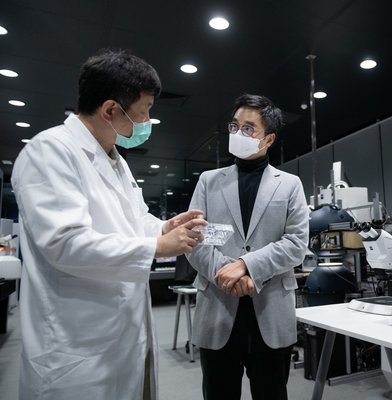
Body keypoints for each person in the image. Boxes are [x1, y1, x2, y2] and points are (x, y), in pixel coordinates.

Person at [11, 49, 207, 400]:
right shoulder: (50, 152)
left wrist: (161, 228)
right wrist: (156, 247)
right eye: (144, 110)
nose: (147, 120)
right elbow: (65, 244)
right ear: (111, 110)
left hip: (125, 331)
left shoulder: (115, 159)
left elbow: (132, 221)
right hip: (77, 343)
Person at [186, 93, 310, 400]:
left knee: (271, 393)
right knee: (218, 392)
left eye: (248, 128)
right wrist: (227, 273)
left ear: (268, 139)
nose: (238, 134)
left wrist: (246, 265)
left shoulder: (289, 184)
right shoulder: (208, 181)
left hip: (269, 308)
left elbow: (296, 244)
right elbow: (193, 240)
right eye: (234, 126)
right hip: (217, 303)